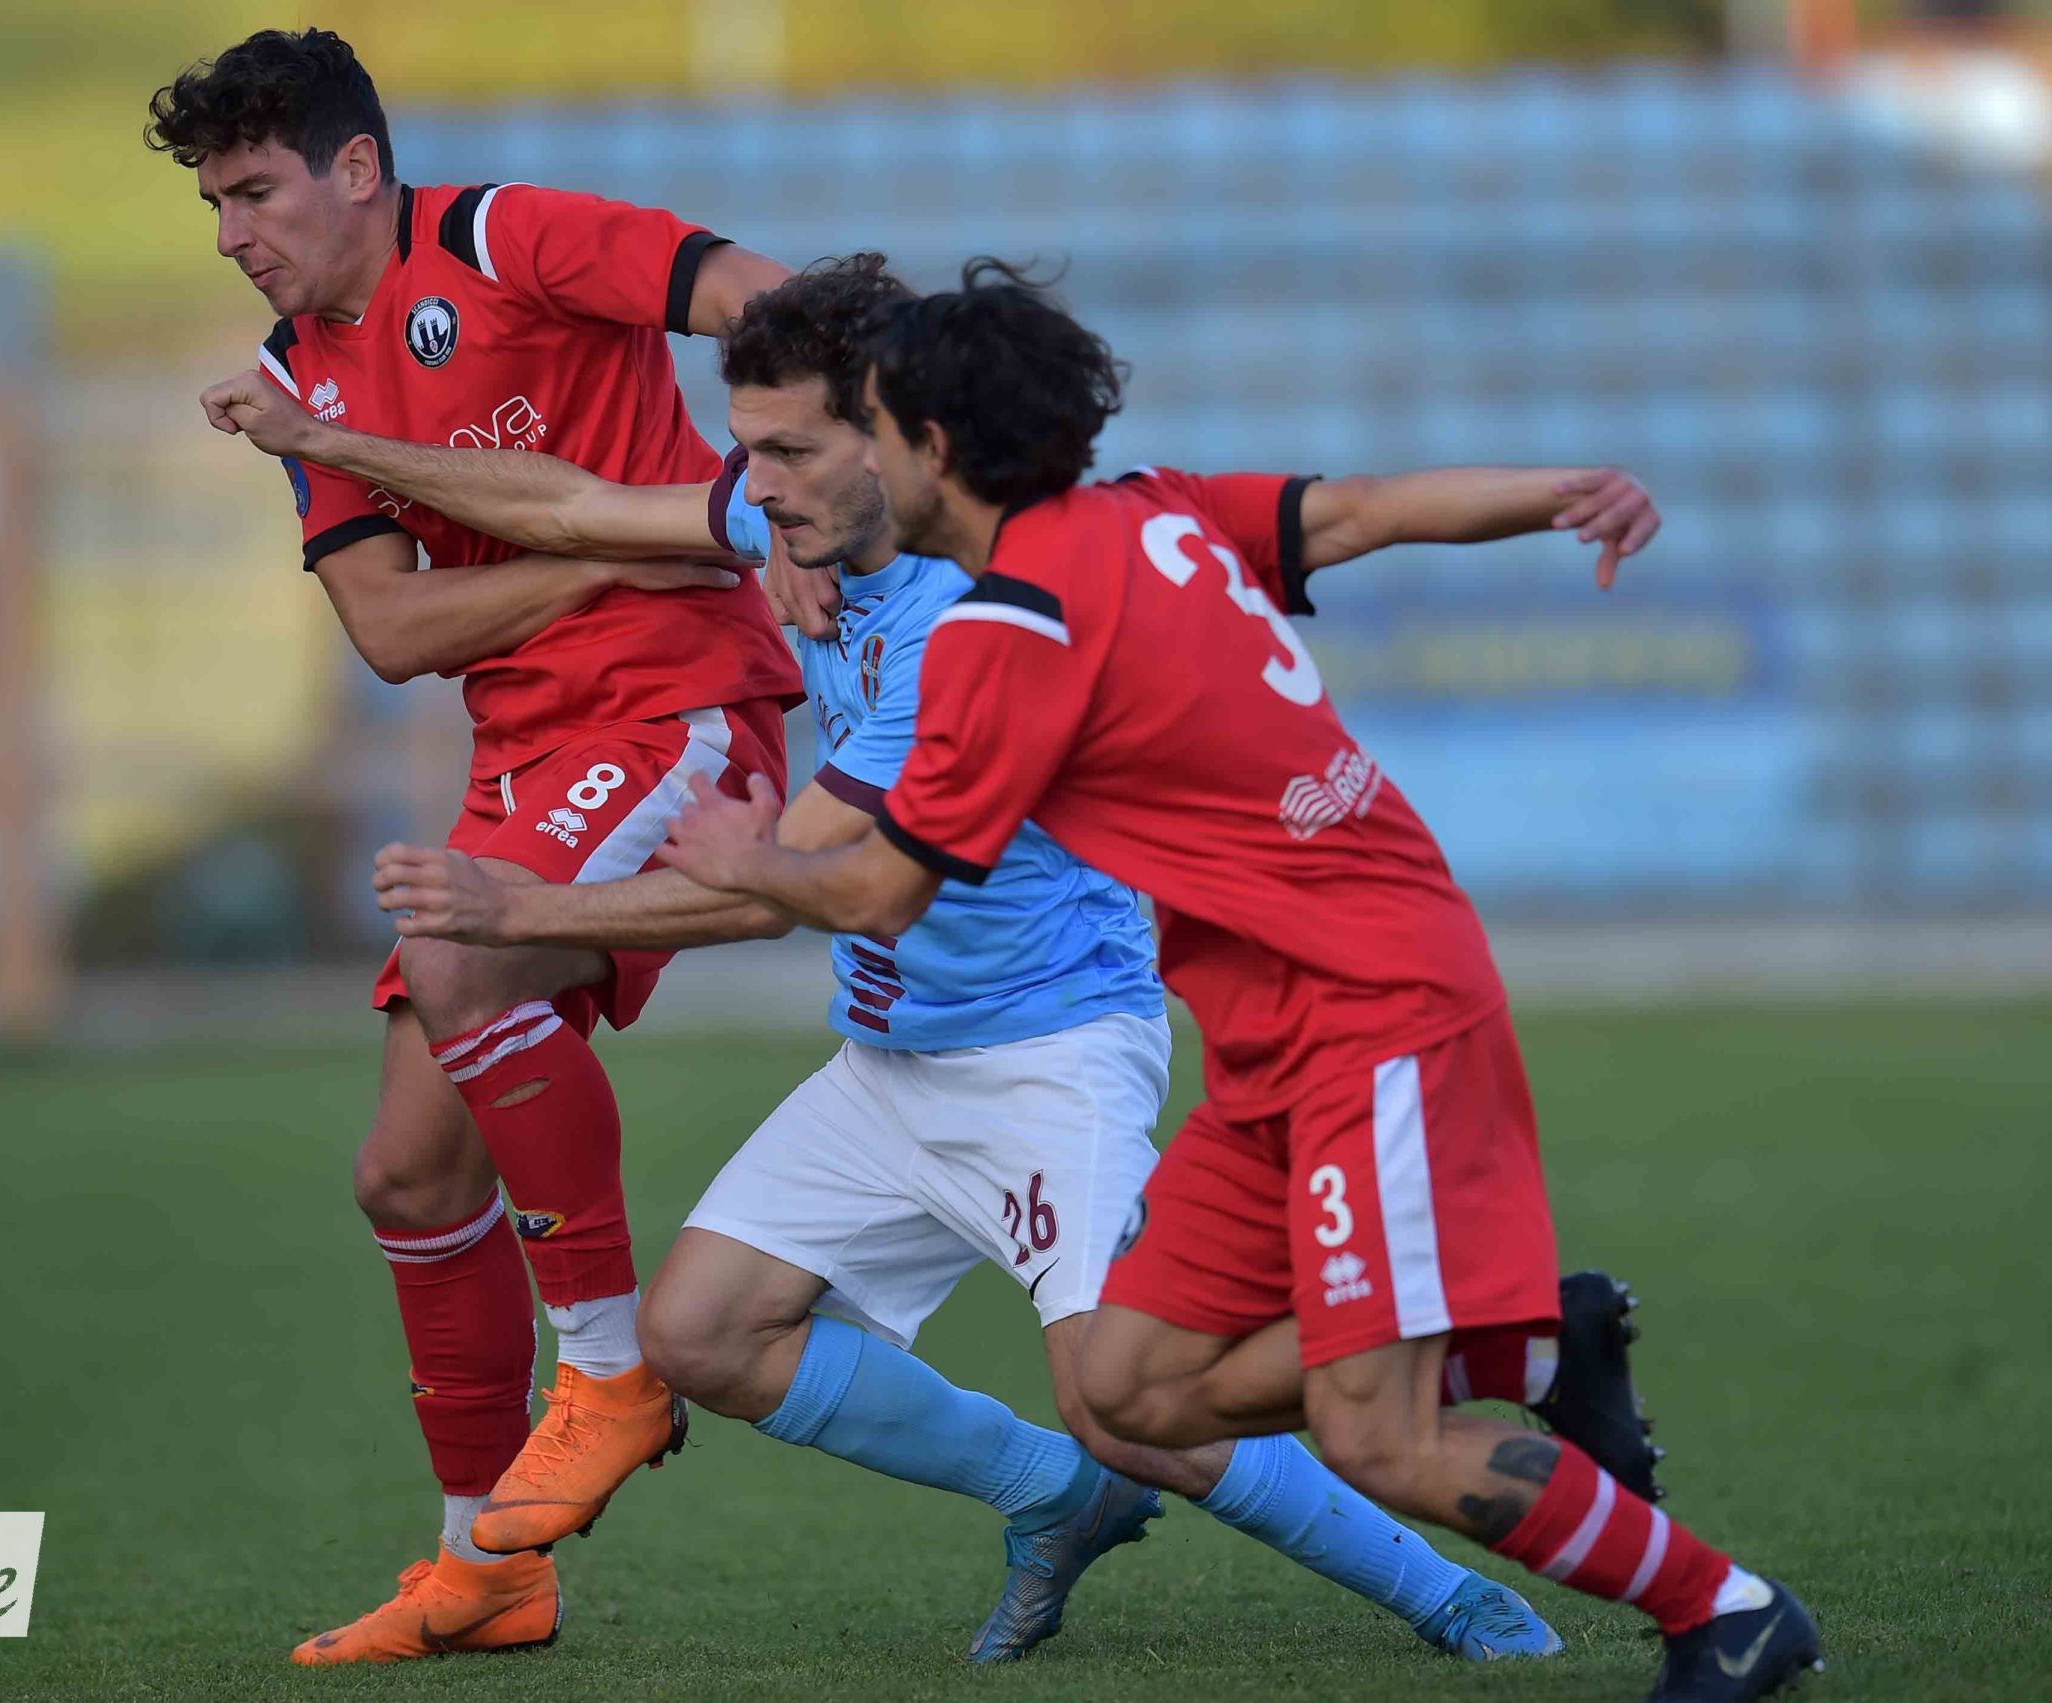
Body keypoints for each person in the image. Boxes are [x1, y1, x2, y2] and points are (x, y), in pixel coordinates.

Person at [239, 255, 1592, 1664]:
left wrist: (513, 916)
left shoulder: (970, 627)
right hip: (895, 1058)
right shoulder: (815, 522)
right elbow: (573, 508)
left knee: (1133, 1399)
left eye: (789, 454)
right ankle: (1055, 1494)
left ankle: (1454, 1594)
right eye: (749, 449)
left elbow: (788, 893)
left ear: (896, 440)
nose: (752, 485)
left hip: (1047, 1053)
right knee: (703, 1335)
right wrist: (330, 441)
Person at [651, 260, 1823, 1703]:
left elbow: (882, 891)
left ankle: (1726, 1609)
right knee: (1125, 1390)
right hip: (1270, 1033)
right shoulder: (1155, 509)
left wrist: (749, 858)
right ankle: (1517, 1354)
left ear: (932, 449)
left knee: (1377, 1435)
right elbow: (1365, 511)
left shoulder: (1012, 633)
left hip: (1373, 1008)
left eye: (869, 430)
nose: (846, 463)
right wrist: (1561, 491)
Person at [148, 27, 802, 1664]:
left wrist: (795, 465)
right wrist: (620, 540)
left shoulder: (507, 239)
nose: (232, 233)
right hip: (526, 752)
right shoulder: (297, 377)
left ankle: (614, 1371)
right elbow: (391, 630)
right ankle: (490, 1569)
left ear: (357, 167)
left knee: (455, 957)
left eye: (254, 192)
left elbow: (759, 297)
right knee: (408, 1172)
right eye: (215, 204)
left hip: (670, 709)